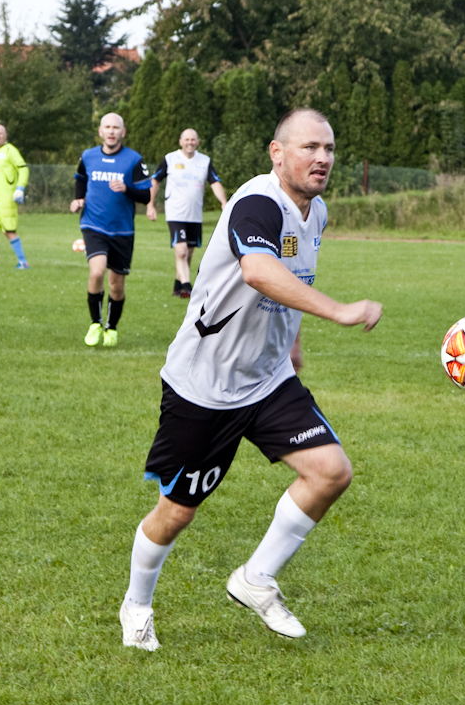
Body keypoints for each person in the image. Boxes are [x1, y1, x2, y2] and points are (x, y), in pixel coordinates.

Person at [120, 108, 383, 650]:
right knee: (176, 514)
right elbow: (259, 271)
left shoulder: (317, 212)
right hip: (204, 387)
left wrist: (293, 342)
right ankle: (137, 604)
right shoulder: (257, 202)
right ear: (277, 152)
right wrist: (337, 311)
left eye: (329, 149)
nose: (323, 158)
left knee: (330, 472)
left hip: (267, 381)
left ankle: (255, 578)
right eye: (310, 147)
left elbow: (294, 274)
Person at [70, 113, 151, 347]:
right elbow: (80, 180)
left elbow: (145, 195)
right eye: (107, 127)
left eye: (116, 127)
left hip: (123, 230)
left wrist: (126, 189)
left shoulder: (134, 160)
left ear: (123, 132)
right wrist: (78, 200)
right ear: (100, 131)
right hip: (93, 224)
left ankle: (111, 328)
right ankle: (95, 323)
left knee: (116, 284)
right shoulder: (88, 156)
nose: (112, 131)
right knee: (96, 272)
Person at [146, 128, 228, 298]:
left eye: (193, 140)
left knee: (188, 253)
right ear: (180, 142)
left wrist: (223, 202)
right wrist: (150, 204)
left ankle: (177, 285)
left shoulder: (204, 161)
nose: (190, 142)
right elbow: (155, 181)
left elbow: (215, 182)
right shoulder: (170, 159)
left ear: (197, 142)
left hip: (195, 214)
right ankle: (187, 286)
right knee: (181, 251)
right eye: (186, 139)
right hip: (176, 212)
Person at [0, 124, 30, 269]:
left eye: (0, 133)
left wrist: (20, 188)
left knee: (9, 231)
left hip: (7, 198)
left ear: (5, 135)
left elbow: (23, 169)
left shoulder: (11, 150)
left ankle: (23, 262)